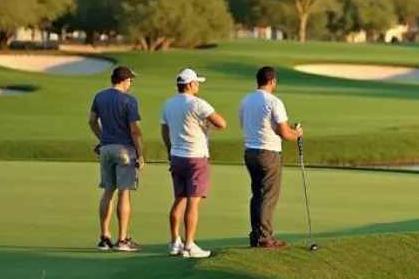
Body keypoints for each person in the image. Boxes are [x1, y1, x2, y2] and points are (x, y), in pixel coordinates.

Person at [160, 67, 226, 259]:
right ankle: (189, 244)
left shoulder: (168, 104)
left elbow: (164, 131)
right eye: (196, 82)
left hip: (177, 156)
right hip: (196, 157)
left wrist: (170, 150)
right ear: (189, 85)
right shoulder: (198, 104)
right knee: (193, 202)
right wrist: (205, 124)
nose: (198, 85)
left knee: (179, 199)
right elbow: (221, 123)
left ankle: (174, 242)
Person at [239, 65, 303, 248]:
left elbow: (244, 124)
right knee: (268, 195)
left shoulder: (246, 100)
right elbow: (285, 133)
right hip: (268, 153)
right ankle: (264, 238)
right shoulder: (274, 102)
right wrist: (297, 133)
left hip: (250, 152)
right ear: (273, 81)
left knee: (257, 194)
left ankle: (256, 235)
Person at [88, 64, 145, 251]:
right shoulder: (129, 100)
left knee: (108, 192)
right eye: (130, 80)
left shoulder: (99, 96)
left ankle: (104, 237)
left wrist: (103, 138)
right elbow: (134, 131)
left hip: (106, 149)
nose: (131, 83)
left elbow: (92, 121)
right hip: (125, 150)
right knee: (124, 192)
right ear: (124, 80)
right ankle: (122, 240)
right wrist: (141, 153)